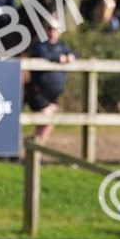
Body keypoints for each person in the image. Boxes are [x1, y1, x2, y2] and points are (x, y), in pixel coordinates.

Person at [24, 16, 76, 144]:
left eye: (55, 28)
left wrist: (71, 57)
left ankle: (33, 152)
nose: (52, 31)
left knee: (43, 126)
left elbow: (75, 54)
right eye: (49, 28)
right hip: (39, 94)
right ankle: (33, 151)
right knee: (47, 125)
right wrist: (59, 59)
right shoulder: (39, 45)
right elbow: (44, 55)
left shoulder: (62, 46)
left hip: (53, 97)